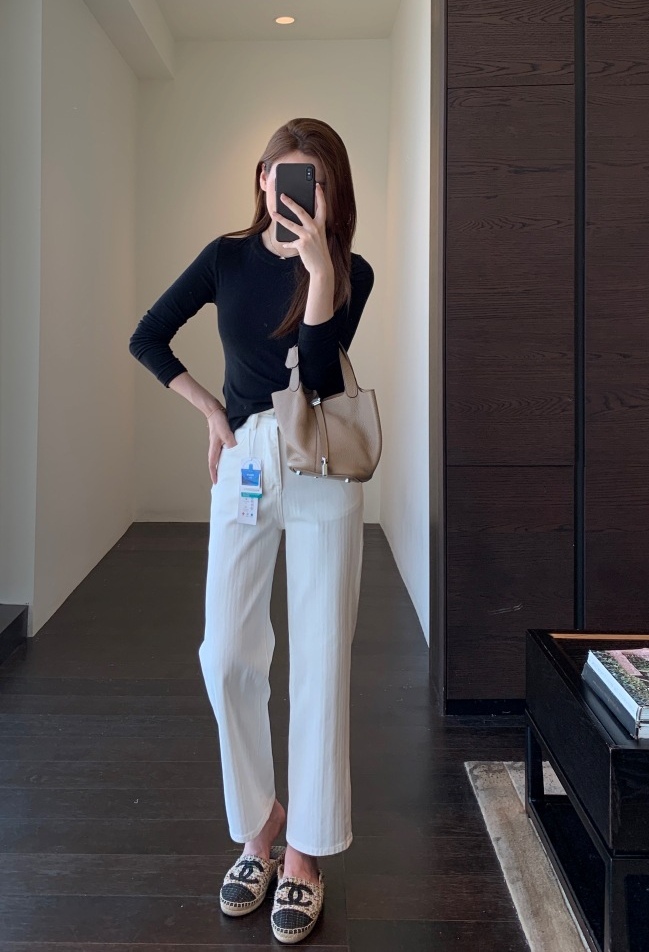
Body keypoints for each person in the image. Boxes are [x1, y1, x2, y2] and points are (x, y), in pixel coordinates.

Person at [128, 117, 374, 944]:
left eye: (313, 179)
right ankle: (259, 821)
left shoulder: (348, 270)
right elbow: (147, 335)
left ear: (330, 192)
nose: (292, 190)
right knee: (226, 653)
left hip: (320, 466)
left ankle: (302, 853)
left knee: (320, 659)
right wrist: (209, 411)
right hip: (243, 460)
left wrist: (319, 271)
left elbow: (317, 377)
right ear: (262, 178)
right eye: (281, 174)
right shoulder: (224, 258)